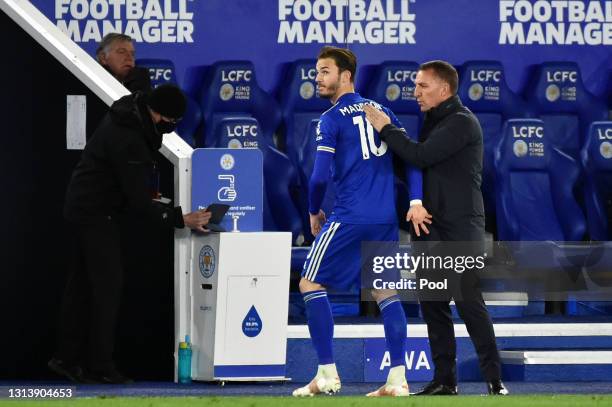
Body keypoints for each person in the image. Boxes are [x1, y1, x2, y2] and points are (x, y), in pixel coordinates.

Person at [49, 84, 211, 384]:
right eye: (171, 121)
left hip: (89, 207)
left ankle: (67, 358)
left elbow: (135, 189)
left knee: (83, 288)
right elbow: (137, 200)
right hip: (94, 212)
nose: (171, 128)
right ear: (159, 114)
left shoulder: (132, 117)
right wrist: (180, 218)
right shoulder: (128, 137)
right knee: (107, 289)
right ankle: (100, 366)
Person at [292, 46, 430, 398]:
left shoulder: (331, 119)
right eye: (317, 71)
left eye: (325, 71)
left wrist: (313, 211)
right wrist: (414, 200)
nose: (318, 78)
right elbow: (412, 159)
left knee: (310, 283)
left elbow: (319, 177)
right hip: (384, 219)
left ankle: (325, 374)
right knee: (386, 291)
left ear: (346, 75)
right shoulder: (380, 110)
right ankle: (398, 380)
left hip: (350, 217)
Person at [364, 61, 508, 396]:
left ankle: (495, 380)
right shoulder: (433, 120)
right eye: (415, 86)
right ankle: (445, 380)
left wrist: (387, 128)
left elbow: (422, 155)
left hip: (460, 229)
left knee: (469, 302)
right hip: (429, 228)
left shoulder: (462, 122)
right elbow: (416, 165)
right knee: (433, 305)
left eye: (422, 86)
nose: (415, 93)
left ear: (443, 89)